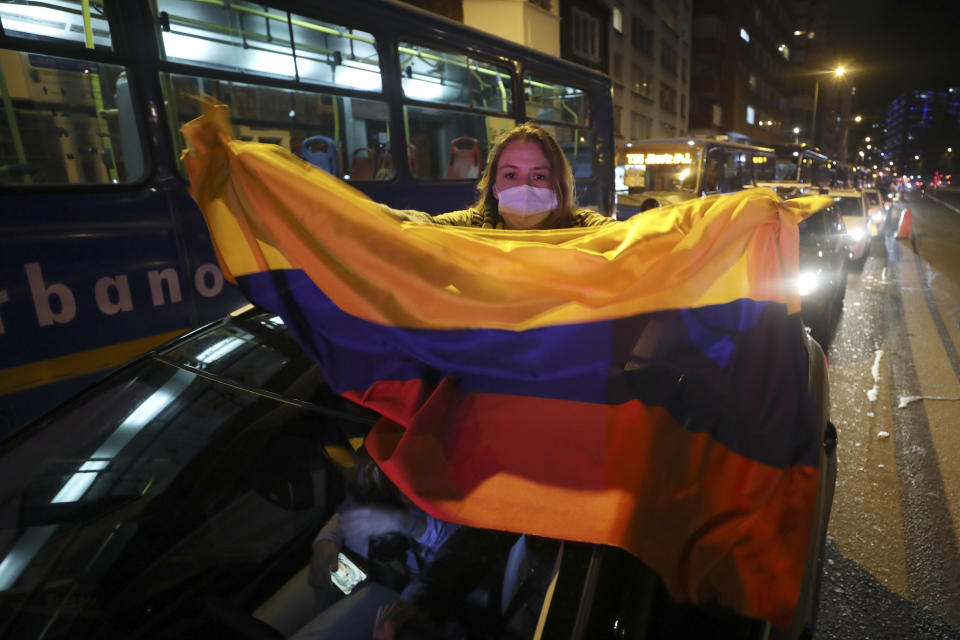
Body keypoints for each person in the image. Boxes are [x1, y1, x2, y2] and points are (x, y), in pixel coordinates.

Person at [379, 123, 615, 230]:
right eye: (511, 174)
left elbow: (624, 236)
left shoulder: (581, 226)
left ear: (558, 185)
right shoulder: (473, 225)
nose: (524, 186)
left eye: (539, 176)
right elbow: (420, 225)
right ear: (494, 187)